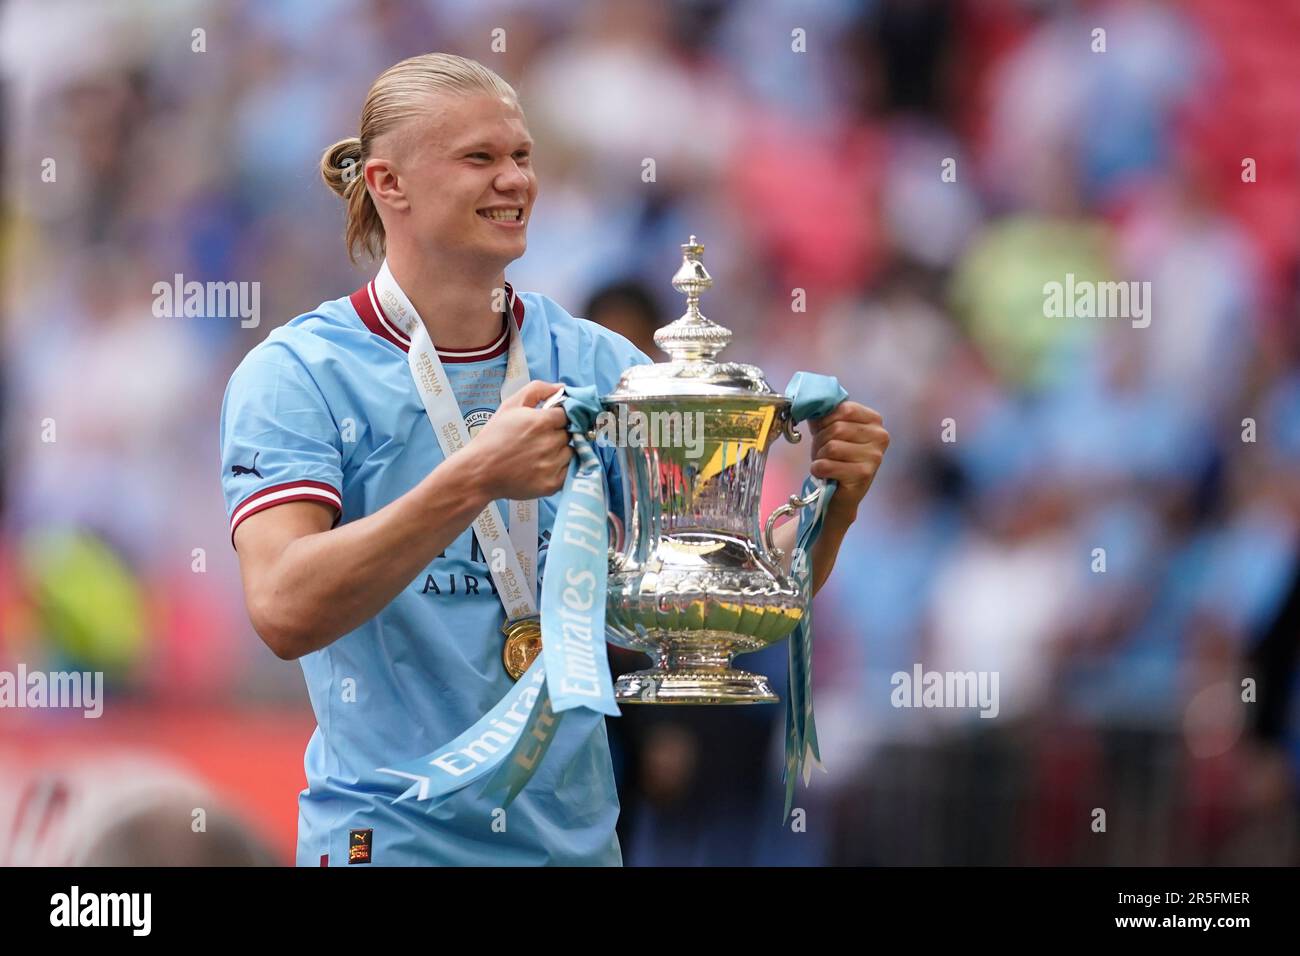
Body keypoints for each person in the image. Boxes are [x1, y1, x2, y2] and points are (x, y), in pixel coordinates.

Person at [219, 53, 890, 866]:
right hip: (387, 840)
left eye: (523, 156)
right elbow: (285, 608)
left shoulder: (599, 362)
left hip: (573, 848)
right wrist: (474, 477)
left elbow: (712, 605)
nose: (515, 181)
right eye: (480, 158)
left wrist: (834, 502)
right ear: (389, 184)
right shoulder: (298, 373)